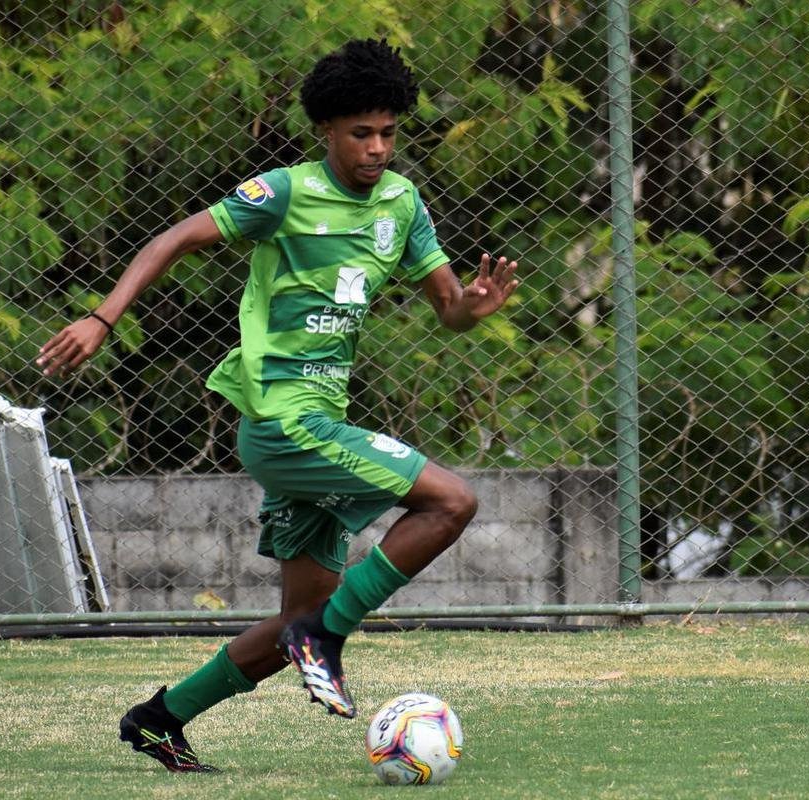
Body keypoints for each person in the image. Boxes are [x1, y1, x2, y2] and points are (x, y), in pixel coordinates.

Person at [37, 38, 519, 773]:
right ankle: (326, 638)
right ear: (326, 131)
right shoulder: (284, 194)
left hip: (320, 422)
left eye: (388, 132)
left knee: (298, 617)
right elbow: (172, 240)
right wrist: (101, 319)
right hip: (284, 424)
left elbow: (448, 307)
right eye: (361, 133)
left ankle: (160, 718)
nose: (377, 148)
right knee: (452, 503)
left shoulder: (403, 203)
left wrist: (472, 308)